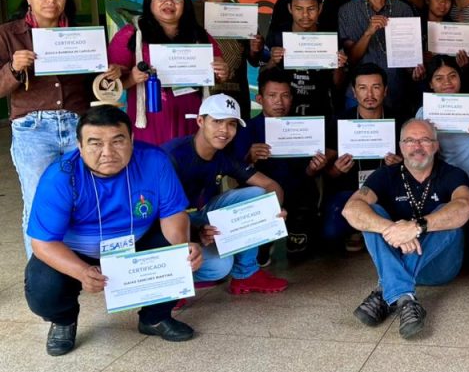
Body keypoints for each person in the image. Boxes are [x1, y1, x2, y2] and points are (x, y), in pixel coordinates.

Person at [24, 105, 203, 355]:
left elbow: (173, 214)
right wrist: (82, 271)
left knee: (178, 257)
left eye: (117, 141)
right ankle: (64, 321)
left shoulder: (155, 160)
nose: (107, 152)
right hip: (78, 251)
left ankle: (155, 317)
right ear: (79, 145)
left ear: (131, 139)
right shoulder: (60, 177)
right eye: (95, 143)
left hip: (136, 241)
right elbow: (43, 243)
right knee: (43, 287)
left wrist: (182, 247)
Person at [0, 0, 120, 258]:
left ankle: (80, 263)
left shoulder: (84, 36)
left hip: (78, 125)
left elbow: (98, 87)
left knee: (84, 195)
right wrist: (13, 69)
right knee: (39, 200)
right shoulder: (8, 35)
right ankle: (40, 275)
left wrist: (109, 76)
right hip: (32, 129)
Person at [343, 119, 469, 338]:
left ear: (435, 145)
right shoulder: (385, 174)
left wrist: (416, 228)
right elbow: (350, 210)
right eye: (410, 140)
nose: (417, 146)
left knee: (449, 214)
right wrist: (392, 229)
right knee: (370, 213)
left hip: (438, 268)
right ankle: (405, 298)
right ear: (401, 146)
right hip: (397, 260)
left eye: (424, 140)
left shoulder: (453, 174)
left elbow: (465, 207)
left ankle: (386, 290)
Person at [163, 94, 289, 294]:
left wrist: (273, 210)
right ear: (200, 121)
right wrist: (196, 231)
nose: (224, 130)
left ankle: (246, 274)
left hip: (202, 216)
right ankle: (171, 283)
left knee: (259, 194)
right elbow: (158, 212)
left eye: (231, 124)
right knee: (219, 267)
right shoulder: (173, 155)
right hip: (170, 223)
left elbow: (271, 185)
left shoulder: (223, 156)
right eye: (217, 121)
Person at [108, 0, 229, 144]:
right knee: (155, 166)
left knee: (188, 165)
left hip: (193, 119)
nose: (169, 2)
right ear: (150, 1)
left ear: (184, 3)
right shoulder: (131, 35)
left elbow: (216, 75)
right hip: (151, 122)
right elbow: (111, 85)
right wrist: (132, 79)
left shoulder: (198, 35)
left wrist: (221, 73)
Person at [231, 67, 335, 262]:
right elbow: (233, 174)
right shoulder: (247, 129)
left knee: (299, 256)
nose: (279, 102)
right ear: (260, 99)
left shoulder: (303, 128)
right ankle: (263, 242)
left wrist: (313, 168)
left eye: (285, 95)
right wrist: (248, 158)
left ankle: (295, 233)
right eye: (272, 95)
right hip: (262, 199)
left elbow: (308, 173)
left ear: (292, 98)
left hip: (299, 198)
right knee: (257, 257)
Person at [322, 62, 403, 251]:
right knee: (329, 233)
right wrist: (336, 169)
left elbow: (415, 167)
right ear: (353, 92)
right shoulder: (340, 122)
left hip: (388, 193)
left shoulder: (399, 120)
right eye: (362, 88)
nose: (369, 95)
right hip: (350, 193)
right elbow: (327, 173)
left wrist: (400, 165)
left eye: (376, 87)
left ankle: (373, 230)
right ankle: (363, 228)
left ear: (385, 91)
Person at [337, 0, 417, 116]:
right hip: (361, 95)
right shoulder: (348, 11)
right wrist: (368, 33)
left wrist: (415, 68)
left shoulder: (403, 10)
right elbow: (351, 59)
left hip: (396, 91)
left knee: (396, 138)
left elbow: (409, 58)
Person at [416, 55, 469, 197]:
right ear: (431, 84)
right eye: (439, 78)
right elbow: (420, 157)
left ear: (460, 77)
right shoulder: (424, 113)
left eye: (453, 76)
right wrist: (428, 139)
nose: (447, 83)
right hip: (451, 188)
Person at [261, 0, 348, 116]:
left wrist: (339, 66)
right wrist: (273, 61)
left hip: (321, 110)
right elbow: (262, 75)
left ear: (320, 8)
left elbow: (338, 84)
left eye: (311, 9)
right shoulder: (277, 37)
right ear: (290, 8)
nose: (305, 15)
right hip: (284, 111)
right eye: (299, 9)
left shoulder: (331, 38)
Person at [194, 0, 262, 119]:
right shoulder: (191, 10)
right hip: (200, 94)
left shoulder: (244, 14)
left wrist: (255, 48)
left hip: (236, 95)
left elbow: (253, 60)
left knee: (237, 142)